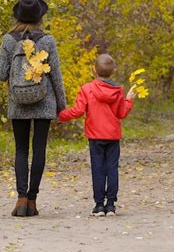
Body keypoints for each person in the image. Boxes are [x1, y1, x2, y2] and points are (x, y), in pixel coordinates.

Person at [0, 0, 66, 217]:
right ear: (39, 17)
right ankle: (33, 201)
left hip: (18, 102)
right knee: (39, 150)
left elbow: (0, 74)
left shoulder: (8, 40)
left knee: (20, 149)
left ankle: (21, 199)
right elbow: (56, 76)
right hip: (44, 102)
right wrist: (61, 105)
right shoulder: (47, 40)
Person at [58, 54, 135, 216]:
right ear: (114, 71)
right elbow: (121, 113)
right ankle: (111, 205)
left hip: (95, 137)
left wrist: (61, 116)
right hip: (113, 137)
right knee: (112, 168)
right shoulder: (118, 91)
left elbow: (78, 111)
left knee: (98, 168)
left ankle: (99, 205)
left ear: (94, 70)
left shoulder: (87, 89)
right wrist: (128, 101)